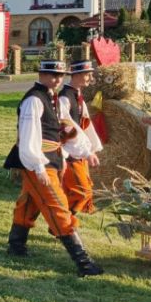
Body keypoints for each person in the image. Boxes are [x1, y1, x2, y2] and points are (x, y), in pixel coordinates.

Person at [5, 59, 103, 277]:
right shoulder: (34, 100)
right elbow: (29, 136)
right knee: (57, 205)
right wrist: (38, 167)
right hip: (38, 162)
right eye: (52, 75)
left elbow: (66, 129)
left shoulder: (54, 99)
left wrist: (83, 152)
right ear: (41, 75)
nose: (57, 79)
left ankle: (16, 245)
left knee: (30, 202)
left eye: (60, 75)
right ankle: (83, 262)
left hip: (53, 159)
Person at [59, 60, 102, 218]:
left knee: (80, 191)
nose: (90, 78)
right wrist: (86, 151)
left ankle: (63, 223)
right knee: (81, 191)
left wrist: (92, 148)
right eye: (87, 74)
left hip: (78, 151)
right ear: (76, 75)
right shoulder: (64, 98)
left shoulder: (77, 96)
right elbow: (66, 128)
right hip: (69, 152)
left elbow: (85, 124)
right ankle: (63, 223)